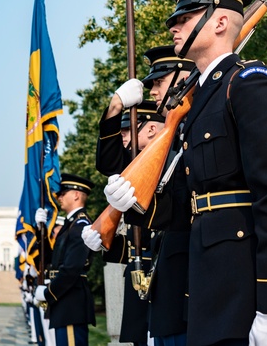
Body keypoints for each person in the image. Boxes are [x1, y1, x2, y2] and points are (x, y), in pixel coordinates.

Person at [111, 0, 267, 346]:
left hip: (251, 298)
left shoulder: (249, 82)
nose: (172, 27)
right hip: (208, 297)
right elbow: (192, 206)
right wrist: (136, 205)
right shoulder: (198, 103)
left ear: (220, 22)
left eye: (183, 18)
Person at [97, 45, 195, 346]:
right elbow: (110, 163)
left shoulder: (184, 139)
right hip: (164, 282)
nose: (152, 90)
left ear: (152, 129)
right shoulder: (164, 149)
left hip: (184, 281)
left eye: (158, 82)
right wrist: (115, 107)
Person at [93, 100, 164, 346]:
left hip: (165, 275)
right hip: (141, 276)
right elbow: (107, 162)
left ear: (152, 129)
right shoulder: (137, 166)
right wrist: (106, 243)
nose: (122, 136)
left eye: (126, 130)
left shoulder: (168, 160)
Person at [34, 174, 96, 346]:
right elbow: (53, 259)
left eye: (63, 193)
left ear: (76, 195)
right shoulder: (70, 225)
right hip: (65, 302)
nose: (59, 197)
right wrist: (40, 232)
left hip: (71, 303)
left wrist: (48, 293)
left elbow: (70, 270)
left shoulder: (81, 226)